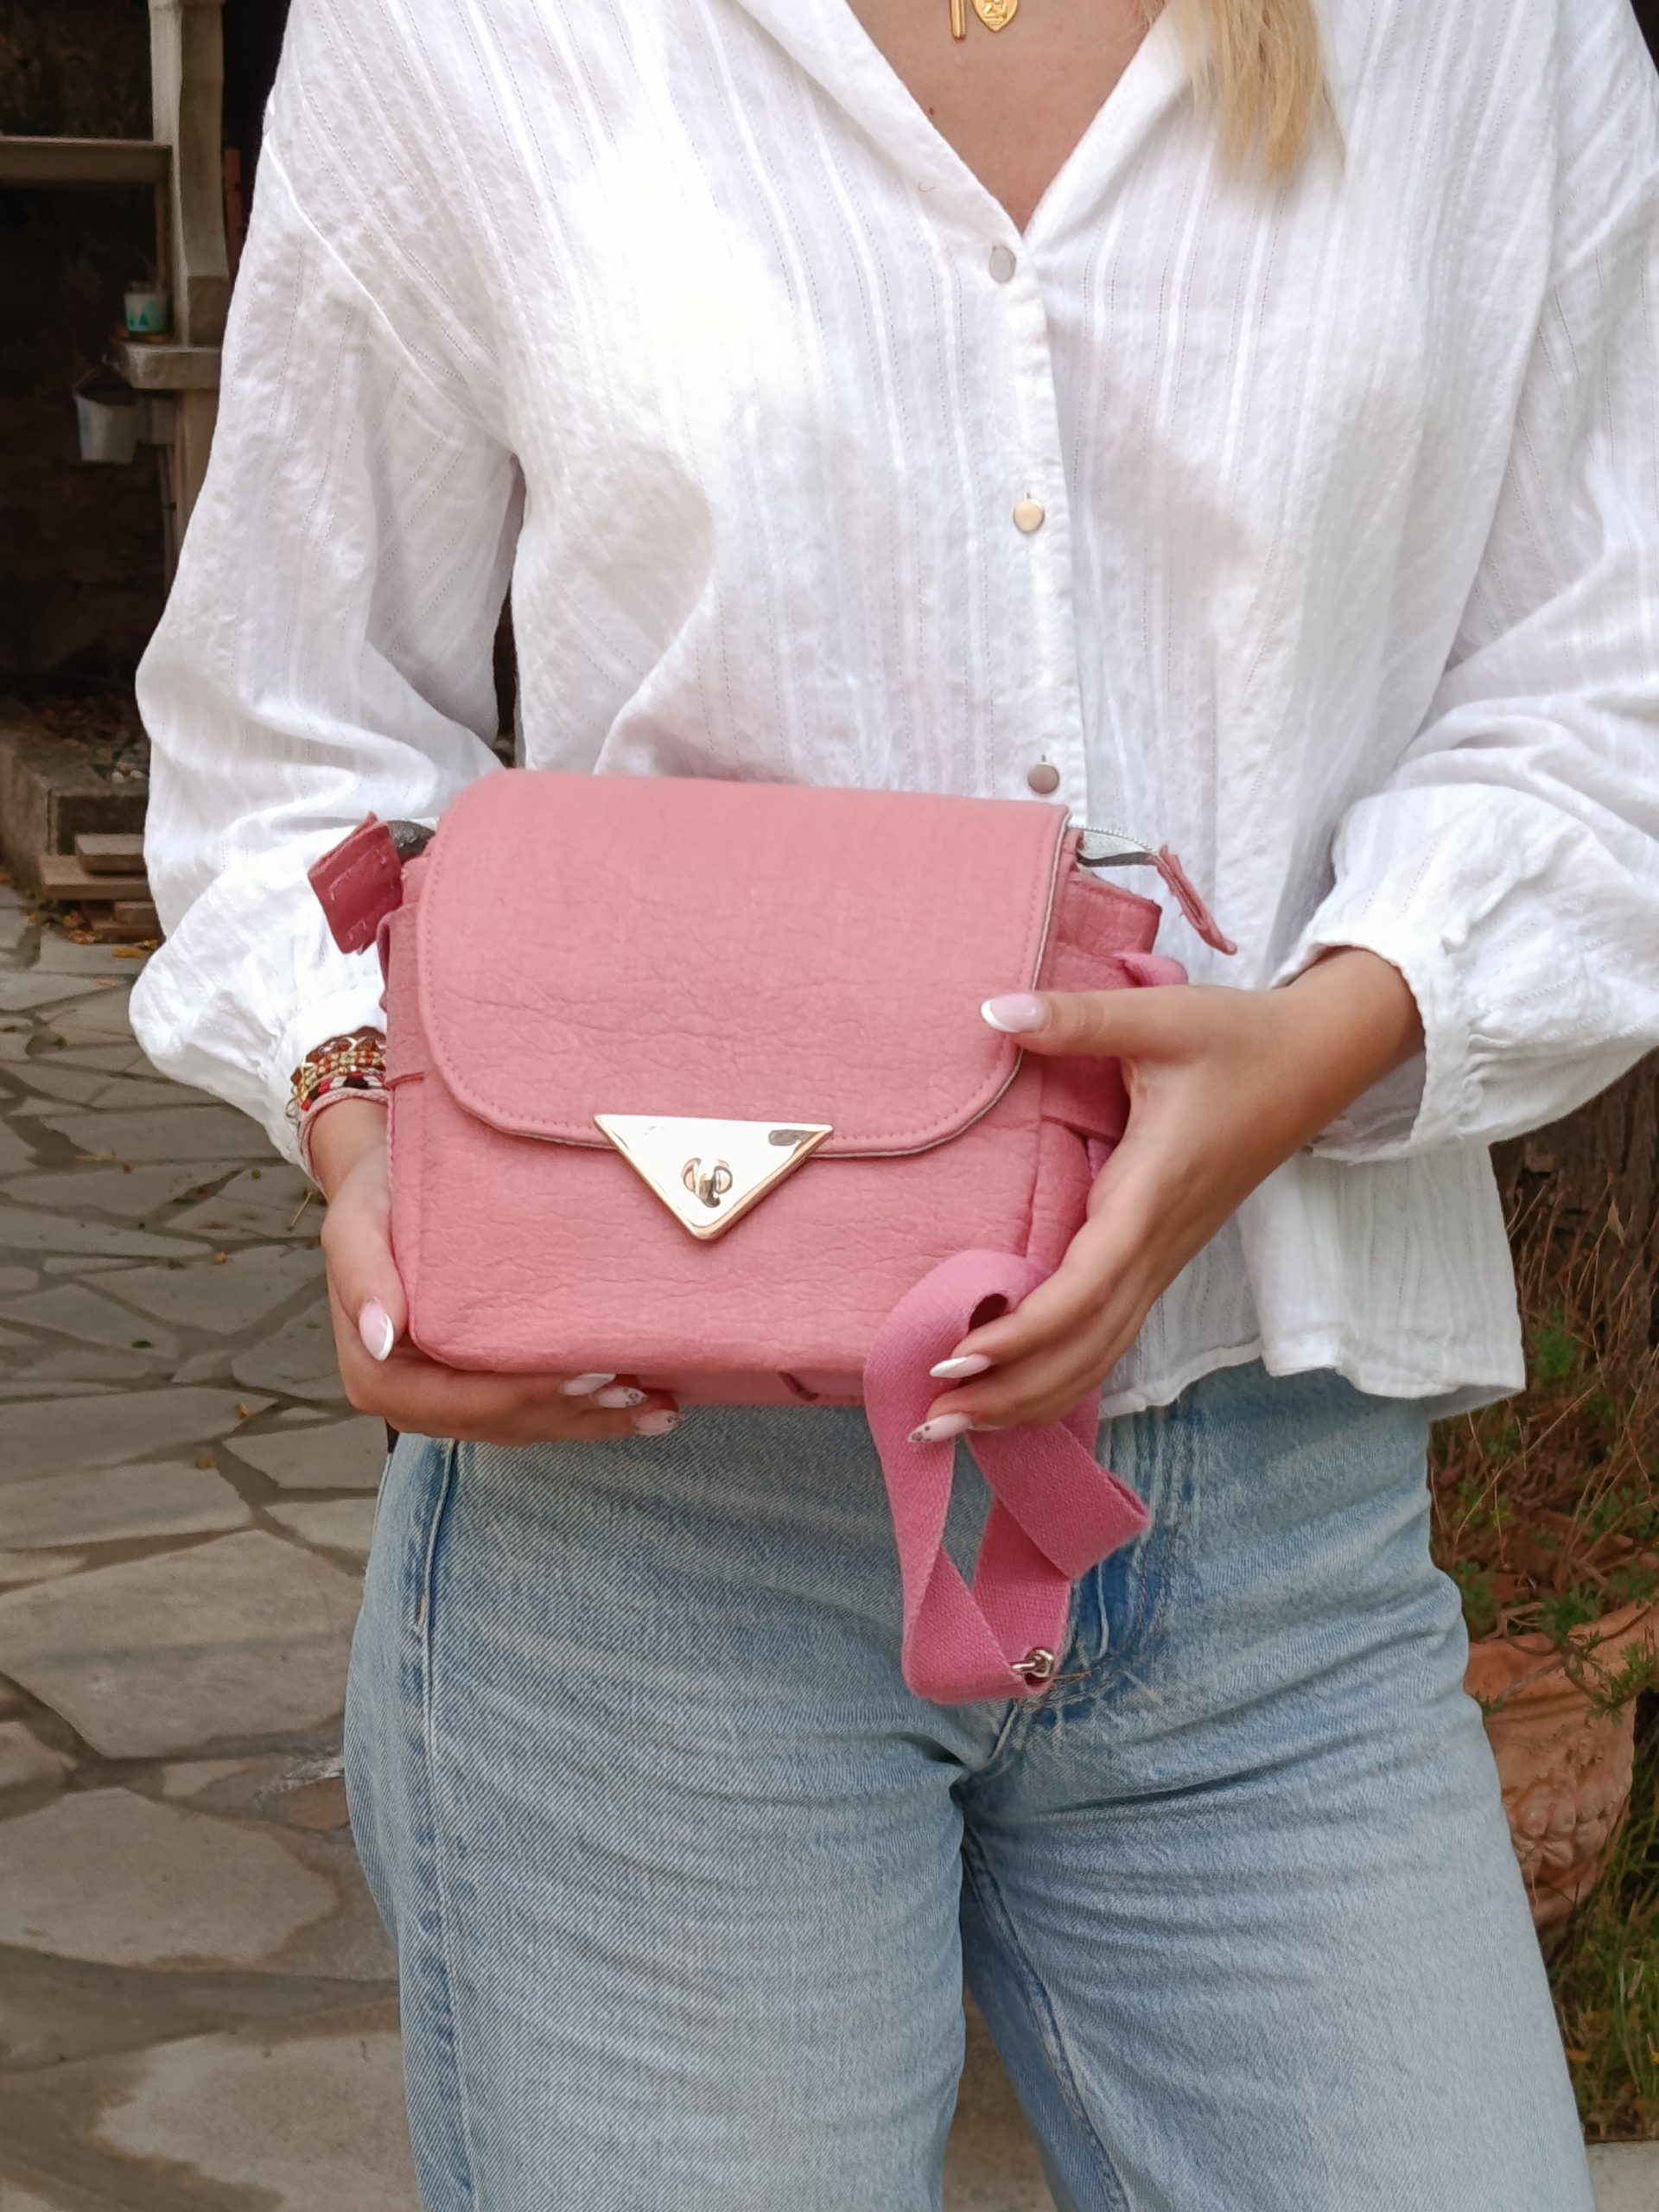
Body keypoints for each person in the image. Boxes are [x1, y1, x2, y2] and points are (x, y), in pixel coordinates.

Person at [130, 0, 1659, 2203]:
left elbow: (1605, 680)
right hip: (655, 1531)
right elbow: (293, 722)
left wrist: (1324, 1038)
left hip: (1277, 1516)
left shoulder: (1488, 35)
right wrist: (368, 1118)